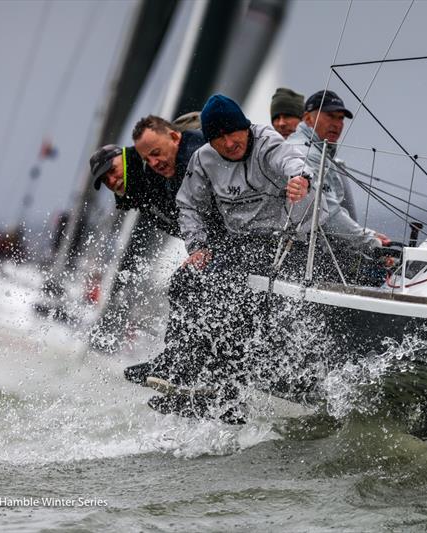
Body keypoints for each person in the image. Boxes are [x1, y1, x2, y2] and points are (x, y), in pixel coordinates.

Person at [126, 94, 321, 420]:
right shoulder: (203, 158)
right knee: (184, 280)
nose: (230, 143)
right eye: (219, 138)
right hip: (237, 244)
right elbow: (188, 205)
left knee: (223, 290)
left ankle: (217, 377)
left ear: (245, 128)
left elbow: (289, 158)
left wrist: (300, 178)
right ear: (210, 140)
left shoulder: (265, 141)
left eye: (235, 134)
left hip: (280, 242)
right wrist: (197, 247)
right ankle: (181, 363)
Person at [287, 90, 391, 281]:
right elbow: (327, 214)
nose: (336, 124)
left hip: (307, 251)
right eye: (330, 116)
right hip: (301, 258)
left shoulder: (318, 149)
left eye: (340, 118)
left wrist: (367, 235)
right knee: (379, 277)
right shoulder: (308, 153)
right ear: (308, 118)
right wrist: (371, 241)